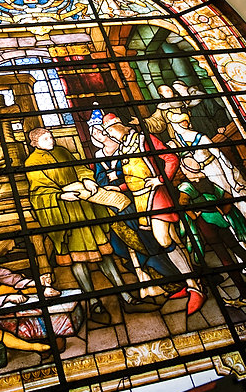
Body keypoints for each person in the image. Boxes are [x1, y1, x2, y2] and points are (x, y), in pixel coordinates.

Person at [24, 127, 158, 324]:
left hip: (87, 208)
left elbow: (79, 168)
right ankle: (94, 303)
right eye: (46, 138)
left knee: (104, 254)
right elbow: (38, 192)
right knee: (77, 261)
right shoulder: (31, 162)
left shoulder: (62, 152)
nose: (51, 140)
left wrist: (86, 179)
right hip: (66, 216)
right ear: (35, 143)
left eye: (51, 136)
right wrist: (60, 195)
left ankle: (127, 298)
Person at [102, 113, 206, 316]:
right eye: (107, 132)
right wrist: (120, 188)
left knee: (163, 239)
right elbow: (135, 176)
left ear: (121, 124)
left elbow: (171, 157)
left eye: (111, 129)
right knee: (172, 239)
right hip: (140, 200)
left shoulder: (143, 139)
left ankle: (195, 287)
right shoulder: (123, 148)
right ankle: (190, 282)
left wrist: (161, 179)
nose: (109, 134)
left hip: (157, 195)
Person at [88, 108, 181, 298]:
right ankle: (167, 282)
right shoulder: (104, 155)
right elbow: (108, 178)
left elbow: (154, 165)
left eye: (103, 130)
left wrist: (159, 180)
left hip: (148, 197)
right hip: (127, 202)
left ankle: (184, 280)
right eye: (95, 133)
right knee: (132, 242)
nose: (100, 135)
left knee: (160, 240)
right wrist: (114, 186)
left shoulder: (133, 143)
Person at [177, 156, 246, 301]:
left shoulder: (186, 187)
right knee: (236, 248)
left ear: (186, 170)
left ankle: (244, 293)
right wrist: (224, 211)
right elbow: (227, 196)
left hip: (205, 223)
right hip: (219, 219)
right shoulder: (208, 183)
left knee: (225, 258)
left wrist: (194, 216)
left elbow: (182, 203)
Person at [167, 111, 246, 219]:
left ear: (184, 123)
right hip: (206, 171)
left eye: (175, 123)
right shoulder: (180, 137)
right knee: (223, 195)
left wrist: (231, 178)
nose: (173, 126)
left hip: (216, 167)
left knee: (232, 191)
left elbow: (220, 156)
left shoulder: (202, 138)